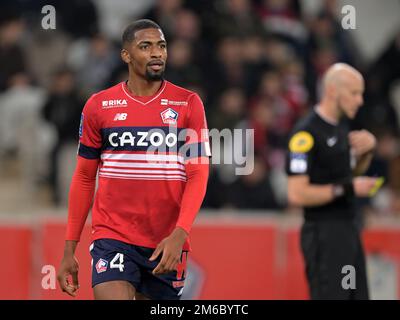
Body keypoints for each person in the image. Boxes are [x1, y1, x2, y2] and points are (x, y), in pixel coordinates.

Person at [57, 19, 210, 300]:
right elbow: (84, 177)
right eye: (145, 46)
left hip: (166, 242)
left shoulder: (188, 104)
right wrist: (70, 248)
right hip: (112, 236)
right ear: (126, 55)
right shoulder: (98, 106)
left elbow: (198, 174)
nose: (156, 53)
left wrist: (180, 233)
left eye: (161, 46)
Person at [286, 63, 379, 300]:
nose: (360, 100)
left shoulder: (341, 128)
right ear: (332, 91)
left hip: (349, 230)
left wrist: (366, 153)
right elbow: (296, 194)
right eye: (354, 93)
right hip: (324, 234)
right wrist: (349, 188)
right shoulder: (305, 134)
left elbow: (351, 176)